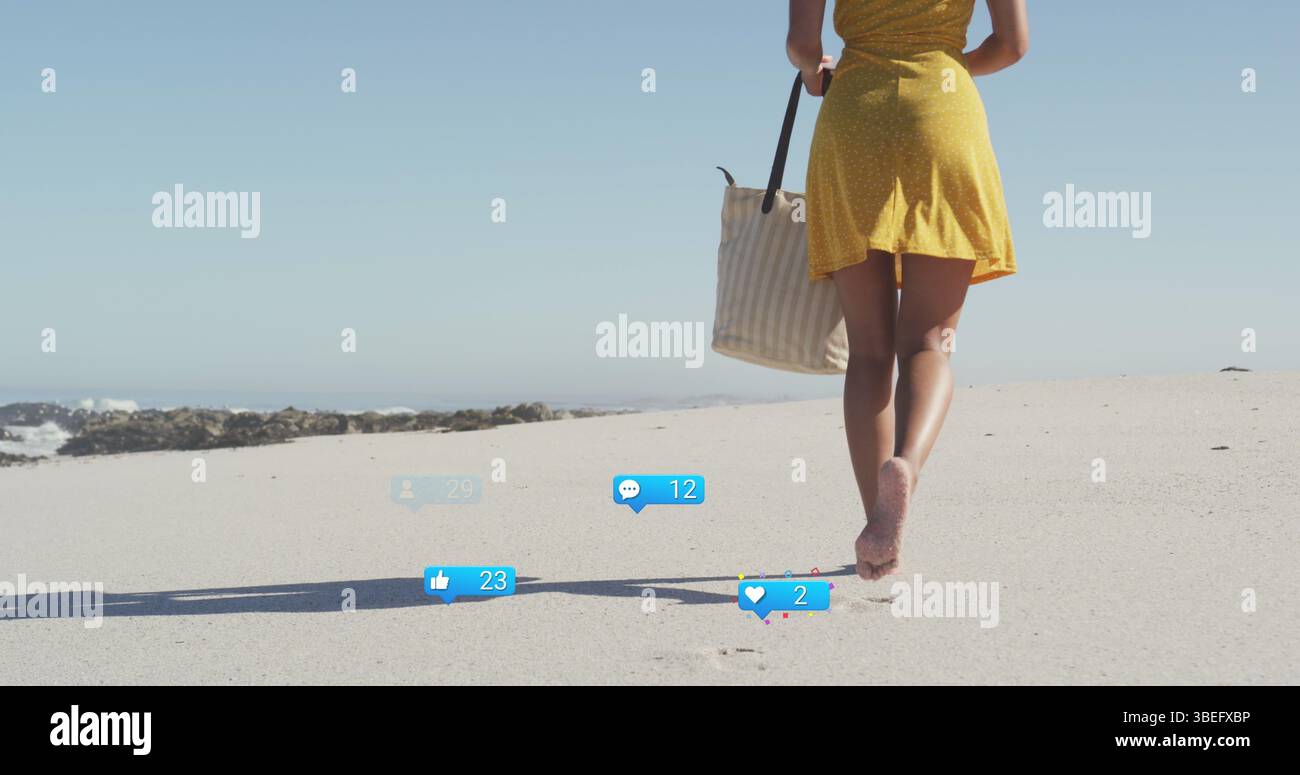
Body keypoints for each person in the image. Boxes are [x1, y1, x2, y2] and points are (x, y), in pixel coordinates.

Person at [787, 0, 1029, 580]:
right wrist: (948, 61)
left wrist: (815, 74)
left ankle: (878, 522)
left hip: (856, 115)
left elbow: (802, 45)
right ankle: (907, 467)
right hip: (943, 115)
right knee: (929, 342)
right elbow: (1012, 44)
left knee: (869, 350)